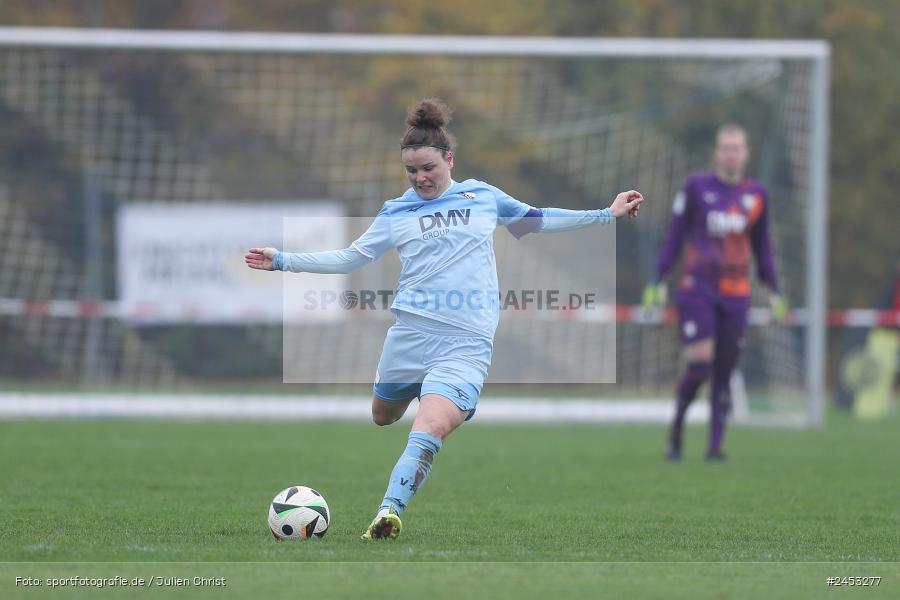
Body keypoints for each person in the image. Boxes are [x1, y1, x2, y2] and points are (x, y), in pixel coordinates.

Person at [247, 98, 644, 540]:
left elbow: (538, 219)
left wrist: (605, 215)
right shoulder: (396, 211)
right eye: (411, 172)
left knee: (430, 426)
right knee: (382, 415)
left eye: (428, 169)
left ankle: (387, 513)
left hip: (465, 343)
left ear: (449, 160)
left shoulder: (482, 196)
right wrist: (282, 260)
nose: (420, 179)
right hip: (410, 337)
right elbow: (348, 258)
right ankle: (421, 389)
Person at [642, 123, 785, 462]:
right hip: (697, 289)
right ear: (716, 153)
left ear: (746, 153)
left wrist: (775, 289)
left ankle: (715, 447)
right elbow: (675, 235)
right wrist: (657, 278)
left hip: (736, 293)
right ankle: (677, 427)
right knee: (701, 363)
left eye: (736, 147)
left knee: (725, 369)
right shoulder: (696, 187)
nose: (731, 153)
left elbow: (763, 247)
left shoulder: (757, 195)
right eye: (725, 147)